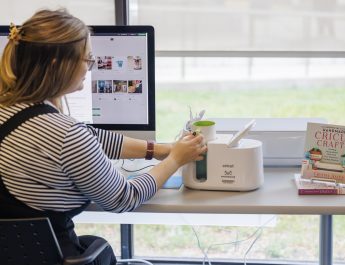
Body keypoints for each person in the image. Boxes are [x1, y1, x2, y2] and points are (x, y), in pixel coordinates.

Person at [0, 9, 206, 265]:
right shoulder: (65, 134)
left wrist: (161, 150)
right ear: (58, 65)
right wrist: (175, 160)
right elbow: (124, 198)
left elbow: (92, 138)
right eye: (87, 59)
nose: (90, 67)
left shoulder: (12, 111)